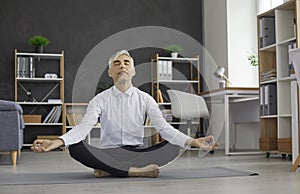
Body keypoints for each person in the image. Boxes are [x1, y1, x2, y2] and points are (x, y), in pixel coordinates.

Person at [31, 49, 218, 178]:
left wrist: (195, 142)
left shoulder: (146, 99)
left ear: (133, 70)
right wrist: (55, 142)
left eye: (126, 63)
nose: (122, 66)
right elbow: (82, 129)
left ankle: (110, 171)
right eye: (117, 63)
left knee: (173, 146)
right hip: (109, 154)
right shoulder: (99, 100)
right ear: (110, 72)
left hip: (137, 153)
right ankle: (134, 172)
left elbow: (164, 129)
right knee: (76, 148)